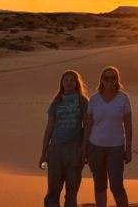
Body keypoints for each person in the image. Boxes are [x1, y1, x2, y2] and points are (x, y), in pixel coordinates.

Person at [83, 66, 132, 207]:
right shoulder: (94, 99)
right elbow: (88, 126)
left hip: (116, 148)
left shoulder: (123, 98)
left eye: (112, 78)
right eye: (106, 78)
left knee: (116, 186)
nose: (109, 80)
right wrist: (84, 148)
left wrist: (128, 149)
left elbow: (128, 126)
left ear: (117, 80)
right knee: (99, 185)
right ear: (101, 80)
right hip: (95, 147)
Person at [40, 70, 89, 207]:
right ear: (62, 83)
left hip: (74, 149)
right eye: (66, 80)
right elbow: (49, 128)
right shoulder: (56, 101)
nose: (69, 83)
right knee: (53, 190)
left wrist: (84, 150)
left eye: (72, 80)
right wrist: (43, 154)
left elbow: (87, 127)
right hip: (56, 149)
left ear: (77, 83)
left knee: (72, 190)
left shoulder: (83, 101)